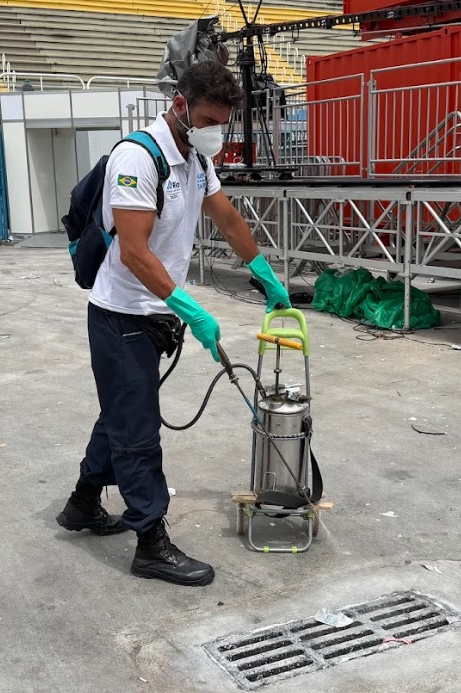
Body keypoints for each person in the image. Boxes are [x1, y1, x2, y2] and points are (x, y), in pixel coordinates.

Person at [56, 61, 291, 587]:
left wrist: (264, 274)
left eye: (222, 123)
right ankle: (150, 543)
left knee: (121, 412)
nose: (215, 133)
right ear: (180, 105)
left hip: (156, 315)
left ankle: (82, 503)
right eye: (207, 120)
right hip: (122, 316)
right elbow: (135, 252)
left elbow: (227, 217)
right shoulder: (138, 158)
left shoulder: (196, 158)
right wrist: (193, 309)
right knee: (137, 431)